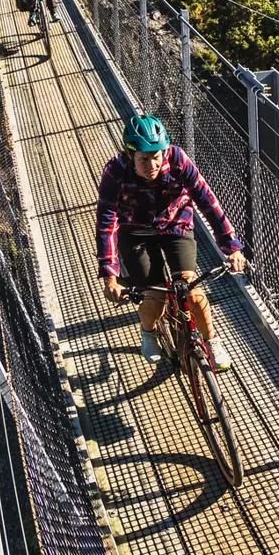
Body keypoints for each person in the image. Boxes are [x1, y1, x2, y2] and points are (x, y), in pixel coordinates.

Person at [97, 112, 247, 370]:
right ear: (129, 154)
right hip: (135, 232)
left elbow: (207, 201)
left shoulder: (177, 160)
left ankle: (211, 340)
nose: (152, 165)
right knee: (154, 295)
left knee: (191, 287)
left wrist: (231, 247)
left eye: (156, 157)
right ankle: (148, 331)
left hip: (175, 225)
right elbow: (106, 221)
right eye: (144, 159)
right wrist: (110, 275)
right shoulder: (115, 171)